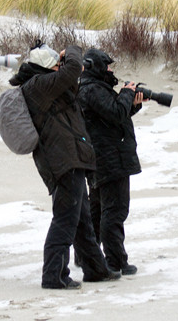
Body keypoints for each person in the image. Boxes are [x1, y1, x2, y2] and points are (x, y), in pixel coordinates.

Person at [9, 43, 121, 289]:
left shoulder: (44, 86)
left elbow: (70, 79)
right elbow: (72, 71)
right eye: (56, 65)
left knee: (81, 220)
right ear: (46, 67)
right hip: (62, 161)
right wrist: (72, 49)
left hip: (68, 159)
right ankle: (53, 276)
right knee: (65, 219)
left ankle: (96, 269)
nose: (60, 68)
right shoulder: (38, 85)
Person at [77, 48, 144, 276]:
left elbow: (109, 118)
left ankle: (91, 258)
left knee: (98, 210)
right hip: (109, 158)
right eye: (107, 66)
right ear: (96, 67)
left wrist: (132, 103)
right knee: (113, 211)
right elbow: (115, 113)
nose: (111, 69)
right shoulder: (93, 89)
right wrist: (126, 93)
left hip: (100, 156)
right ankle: (115, 261)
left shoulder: (90, 88)